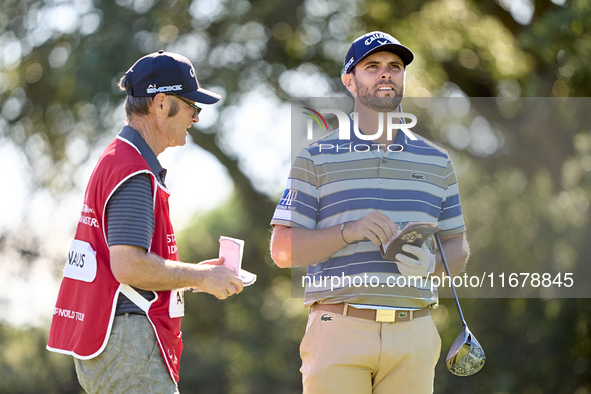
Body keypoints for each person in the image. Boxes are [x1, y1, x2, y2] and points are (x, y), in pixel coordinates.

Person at [270, 32, 470, 393]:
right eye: (372, 66)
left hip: (414, 332)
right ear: (349, 81)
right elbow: (282, 250)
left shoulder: (437, 161)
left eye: (394, 67)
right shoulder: (315, 157)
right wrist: (349, 230)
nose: (385, 74)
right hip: (339, 329)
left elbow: (457, 246)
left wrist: (431, 266)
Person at [47, 51, 244, 393]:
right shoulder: (134, 170)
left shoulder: (119, 159)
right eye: (191, 107)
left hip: (112, 341)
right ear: (162, 104)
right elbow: (129, 267)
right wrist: (202, 276)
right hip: (130, 344)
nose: (195, 118)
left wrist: (201, 276)